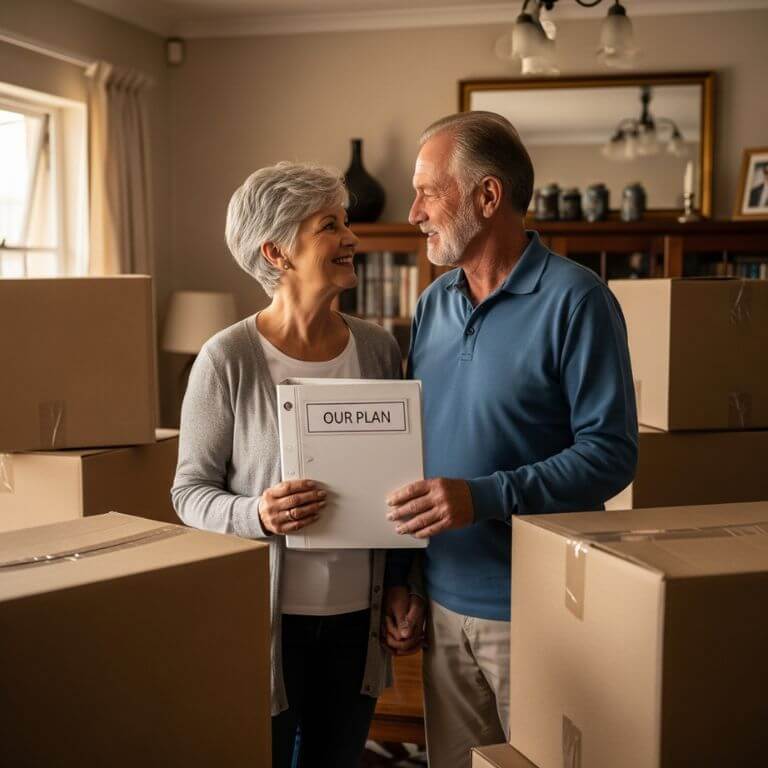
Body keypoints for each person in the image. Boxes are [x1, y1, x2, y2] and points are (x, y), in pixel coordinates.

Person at [384, 112, 638, 768]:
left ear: (488, 196)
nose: (413, 213)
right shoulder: (432, 305)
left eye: (428, 192)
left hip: (538, 612)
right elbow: (420, 453)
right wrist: (406, 578)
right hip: (441, 608)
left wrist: (485, 497)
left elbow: (611, 454)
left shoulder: (578, 301)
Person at [171, 162, 408, 768]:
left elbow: (403, 481)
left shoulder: (379, 349)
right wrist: (257, 512)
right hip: (266, 628)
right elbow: (189, 493)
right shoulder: (226, 358)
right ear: (276, 252)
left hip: (357, 626)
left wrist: (402, 585)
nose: (352, 237)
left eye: (346, 221)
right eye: (330, 225)